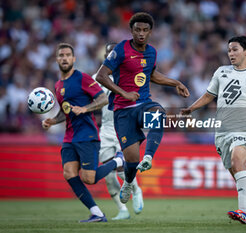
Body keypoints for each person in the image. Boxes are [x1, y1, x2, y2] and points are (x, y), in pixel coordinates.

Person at [181, 36, 246, 224]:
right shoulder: (221, 72)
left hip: (243, 127)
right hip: (221, 132)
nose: (231, 54)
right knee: (240, 175)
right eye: (229, 50)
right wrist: (191, 108)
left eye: (235, 49)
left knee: (237, 161)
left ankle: (243, 212)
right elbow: (209, 95)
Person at [95, 12, 190, 204]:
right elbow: (101, 76)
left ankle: (148, 156)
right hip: (123, 110)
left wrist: (175, 83)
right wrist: (124, 93)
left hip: (144, 103)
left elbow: (152, 75)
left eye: (145, 30)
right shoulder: (121, 49)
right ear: (131, 30)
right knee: (130, 160)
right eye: (137, 29)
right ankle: (128, 183)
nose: (141, 33)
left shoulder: (152, 52)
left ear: (150, 32)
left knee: (158, 113)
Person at [42, 43, 124, 223]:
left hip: (87, 135)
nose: (64, 58)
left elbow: (102, 99)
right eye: (61, 55)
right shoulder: (58, 85)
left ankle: (118, 160)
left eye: (67, 55)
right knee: (69, 173)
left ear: (74, 59)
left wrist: (85, 109)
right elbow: (65, 111)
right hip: (70, 137)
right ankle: (97, 213)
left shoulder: (83, 78)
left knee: (90, 178)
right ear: (57, 59)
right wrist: (52, 121)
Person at [92, 42, 144, 220]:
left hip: (124, 125)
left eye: (113, 53)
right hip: (106, 129)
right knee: (108, 172)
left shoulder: (129, 76)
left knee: (122, 165)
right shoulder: (96, 77)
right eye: (107, 54)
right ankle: (122, 210)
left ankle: (136, 189)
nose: (110, 57)